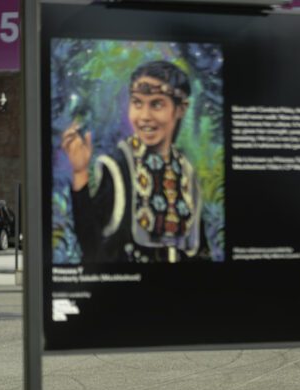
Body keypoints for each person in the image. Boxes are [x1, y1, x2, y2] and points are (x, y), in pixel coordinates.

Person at [61, 60, 205, 263]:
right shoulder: (118, 168)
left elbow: (201, 250)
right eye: (137, 103)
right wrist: (80, 173)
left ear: (181, 108)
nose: (145, 116)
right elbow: (92, 246)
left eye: (156, 104)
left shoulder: (187, 173)